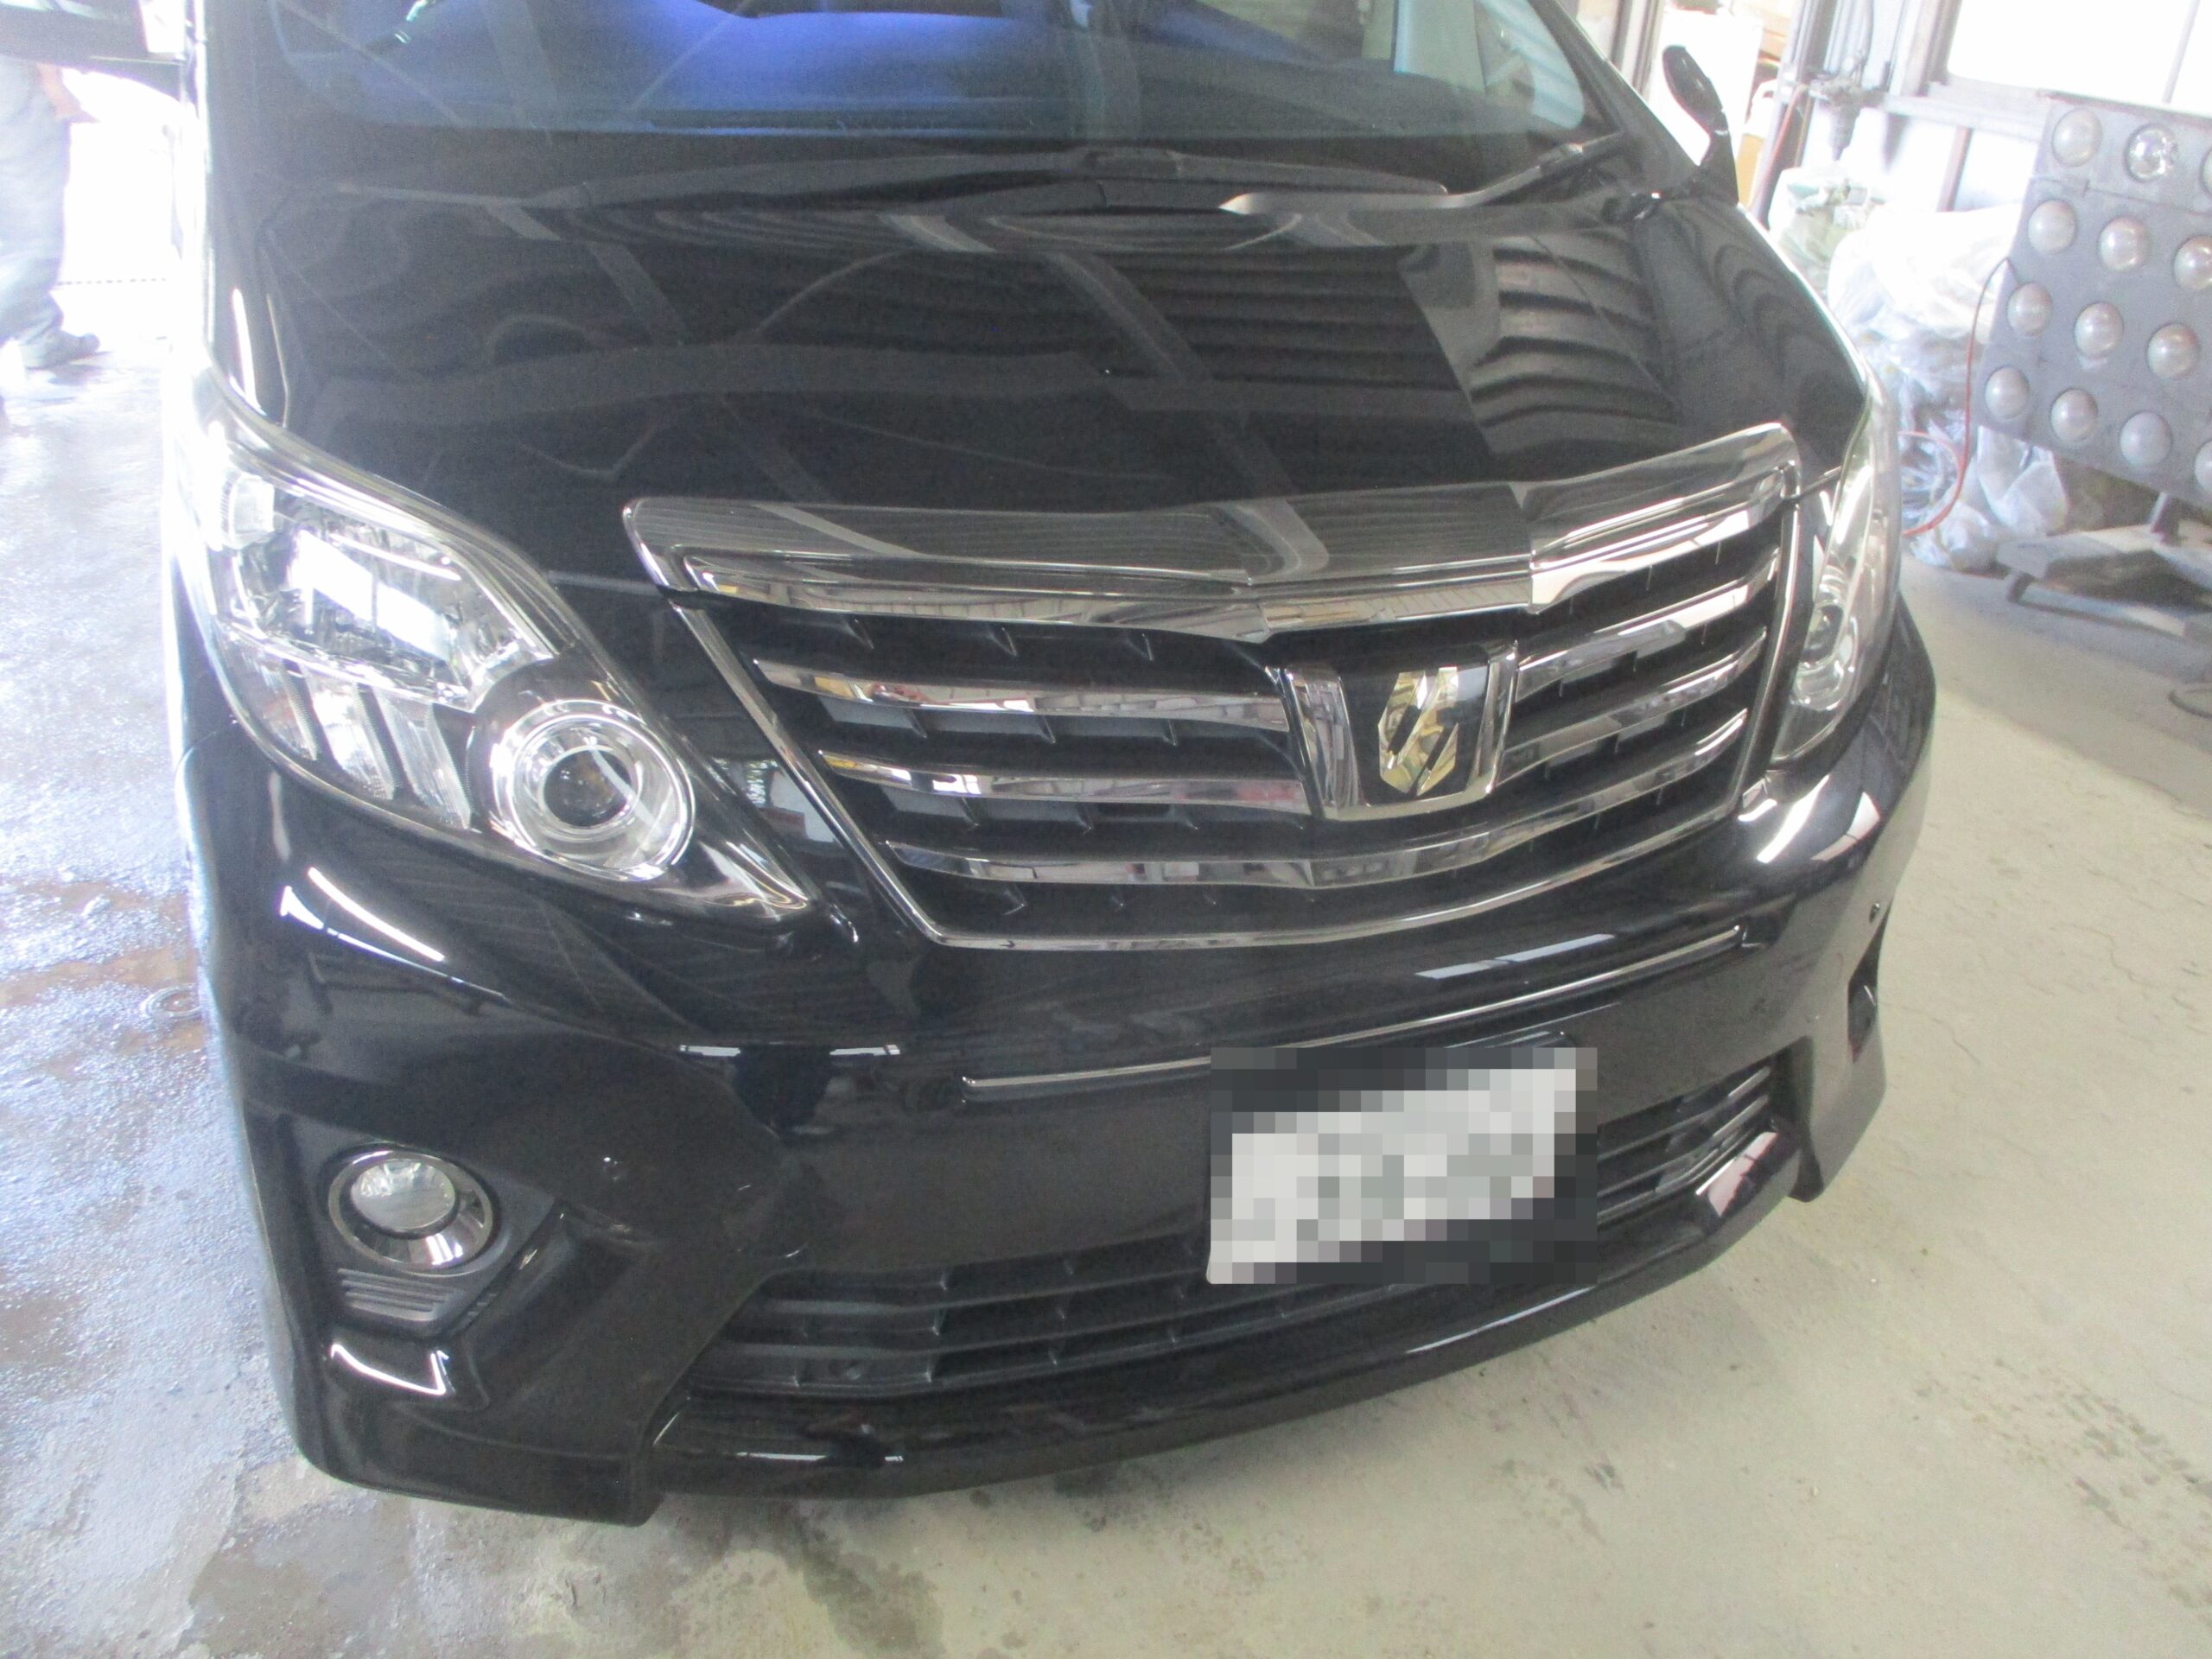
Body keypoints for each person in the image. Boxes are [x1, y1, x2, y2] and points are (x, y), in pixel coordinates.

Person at [0, 54, 99, 382]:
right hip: (12, 76)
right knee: (36, 251)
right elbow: (26, 28)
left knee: (12, 234)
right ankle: (38, 334)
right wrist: (54, 84)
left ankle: (40, 334)